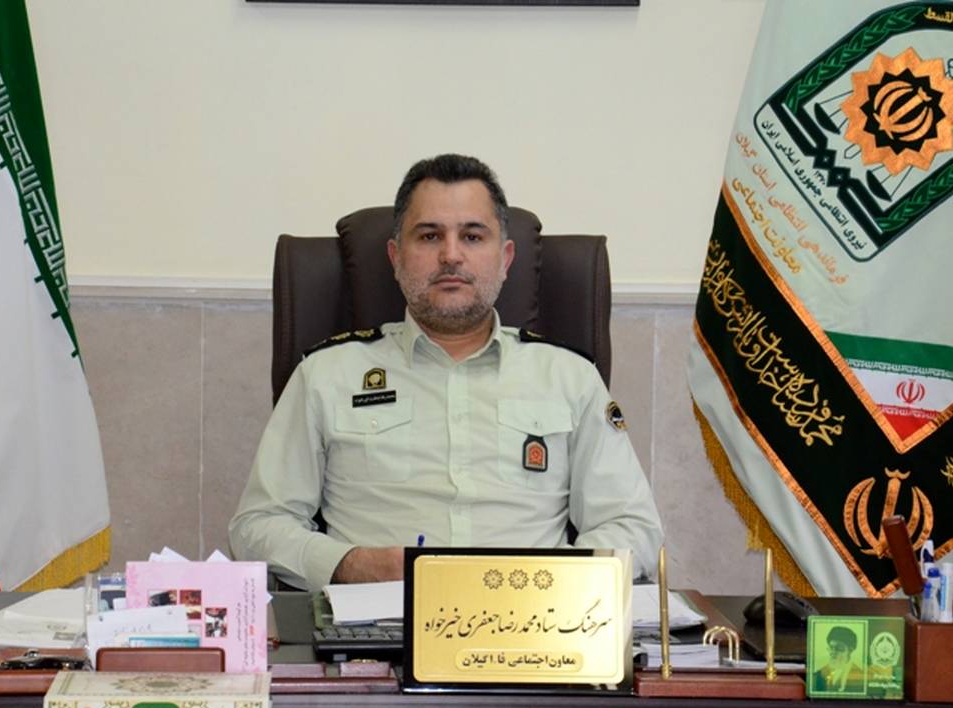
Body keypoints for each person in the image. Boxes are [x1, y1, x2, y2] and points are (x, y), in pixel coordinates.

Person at [229, 154, 663, 590]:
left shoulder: (571, 378)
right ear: (396, 256)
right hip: (378, 619)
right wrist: (347, 565)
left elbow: (632, 525)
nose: (451, 255)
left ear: (506, 258)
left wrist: (554, 583)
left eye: (472, 236)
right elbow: (258, 525)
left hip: (531, 618)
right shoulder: (325, 375)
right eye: (429, 236)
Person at [813, 625, 866, 693]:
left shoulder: (861, 675)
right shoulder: (819, 674)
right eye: (831, 648)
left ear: (850, 650)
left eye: (839, 648)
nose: (833, 652)